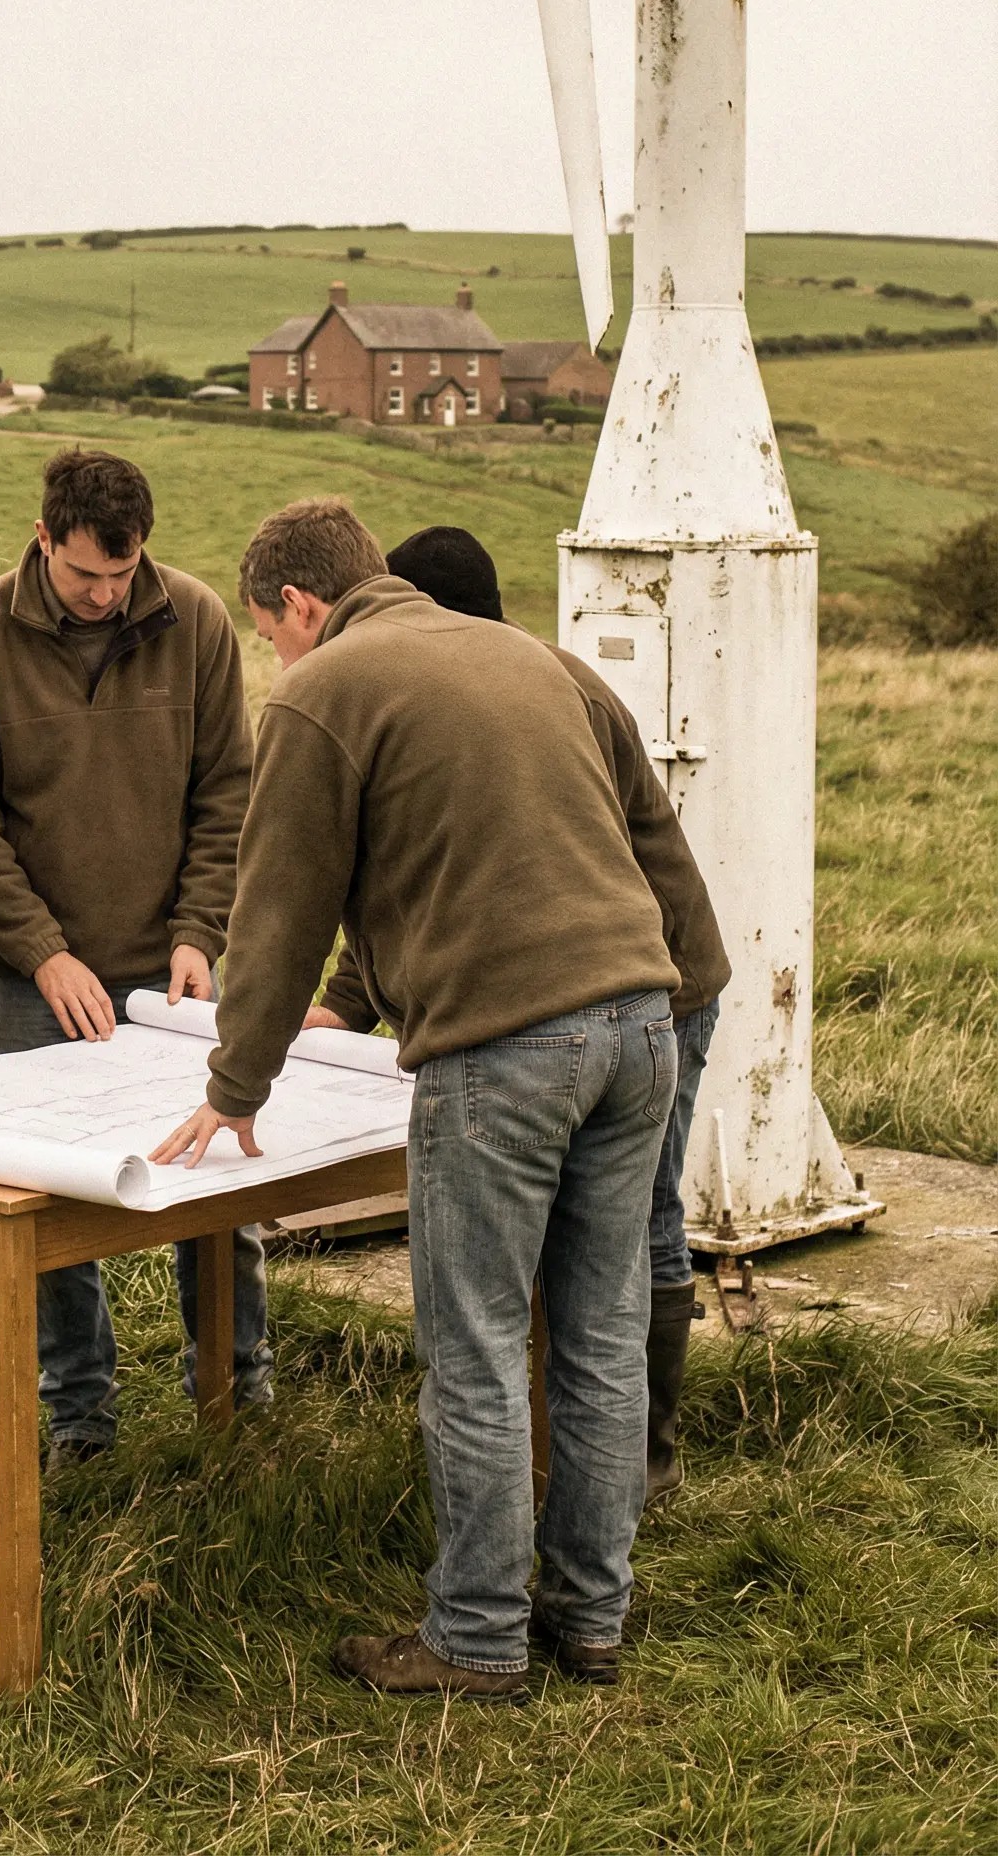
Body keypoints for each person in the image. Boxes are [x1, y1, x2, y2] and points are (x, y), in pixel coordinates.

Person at [154, 498, 680, 1700]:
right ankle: (589, 1617)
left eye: (270, 633)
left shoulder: (324, 689)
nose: (279, 659)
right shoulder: (535, 658)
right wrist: (673, 998)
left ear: (298, 606)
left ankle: (478, 1635)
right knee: (594, 1334)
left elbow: (277, 909)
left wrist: (236, 1087)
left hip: (505, 1044)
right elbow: (652, 835)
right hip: (637, 1021)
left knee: (478, 1342)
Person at [381, 524, 728, 1502]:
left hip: (663, 978)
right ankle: (591, 1471)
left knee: (640, 1216)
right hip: (618, 981)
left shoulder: (528, 690)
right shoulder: (529, 678)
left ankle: (644, 1461)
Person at [0, 447, 260, 1463]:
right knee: (51, 1193)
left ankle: (236, 1391)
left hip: (174, 972)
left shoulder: (196, 620)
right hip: (36, 975)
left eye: (122, 574)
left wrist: (200, 929)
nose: (105, 593)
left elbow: (227, 794)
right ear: (42, 539)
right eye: (84, 575)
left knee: (213, 1181)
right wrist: (41, 952)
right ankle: (78, 1413)